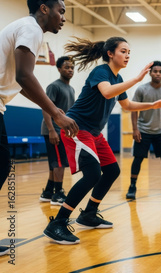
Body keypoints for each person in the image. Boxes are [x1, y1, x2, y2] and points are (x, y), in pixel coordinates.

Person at [43, 36, 161, 245]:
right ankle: (58, 222)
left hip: (94, 132)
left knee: (112, 170)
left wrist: (152, 105)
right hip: (77, 128)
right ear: (110, 53)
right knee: (92, 174)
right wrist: (138, 79)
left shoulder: (118, 79)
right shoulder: (101, 72)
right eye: (123, 51)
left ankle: (89, 213)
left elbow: (127, 105)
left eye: (129, 52)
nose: (127, 55)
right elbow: (107, 91)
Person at [0, 0, 79, 256]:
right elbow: (24, 76)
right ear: (44, 8)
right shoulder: (32, 28)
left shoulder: (25, 28)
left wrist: (52, 111)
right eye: (61, 11)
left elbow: (19, 83)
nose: (63, 18)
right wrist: (56, 114)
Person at [126, 60, 161, 199]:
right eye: (155, 71)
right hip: (143, 131)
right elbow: (134, 109)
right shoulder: (141, 89)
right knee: (138, 159)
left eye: (160, 71)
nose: (158, 74)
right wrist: (135, 129)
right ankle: (132, 187)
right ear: (150, 73)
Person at [39, 56, 75, 205]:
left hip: (62, 131)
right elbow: (45, 108)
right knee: (59, 163)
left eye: (72, 68)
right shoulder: (54, 86)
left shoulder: (71, 88)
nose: (70, 70)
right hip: (53, 130)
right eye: (67, 67)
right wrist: (51, 130)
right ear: (59, 69)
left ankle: (48, 192)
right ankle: (58, 194)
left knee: (55, 162)